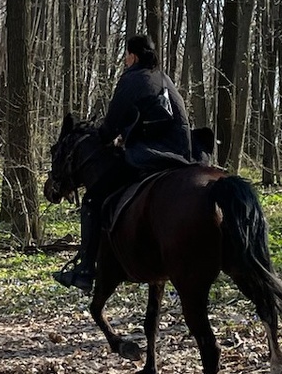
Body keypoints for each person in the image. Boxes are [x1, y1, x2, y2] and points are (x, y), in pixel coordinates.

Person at [55, 34, 192, 291]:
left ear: (133, 56)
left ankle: (85, 268)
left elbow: (108, 131)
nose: (125, 60)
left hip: (152, 155)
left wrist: (110, 139)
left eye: (127, 56)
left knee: (93, 199)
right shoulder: (164, 78)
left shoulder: (132, 80)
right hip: (183, 153)